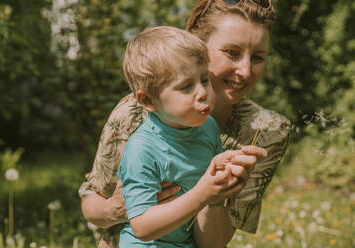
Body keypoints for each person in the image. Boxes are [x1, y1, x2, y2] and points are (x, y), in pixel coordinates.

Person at [79, 0, 290, 247]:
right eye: (231, 53)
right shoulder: (136, 113)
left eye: (257, 57)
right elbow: (92, 201)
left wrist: (216, 192)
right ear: (197, 48)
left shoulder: (264, 131)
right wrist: (114, 209)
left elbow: (211, 243)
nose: (244, 70)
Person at [117, 25, 248, 248]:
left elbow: (211, 203)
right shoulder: (142, 149)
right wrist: (202, 194)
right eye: (187, 86)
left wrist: (225, 177)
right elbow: (142, 227)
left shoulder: (208, 126)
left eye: (204, 79)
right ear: (148, 100)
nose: (203, 92)